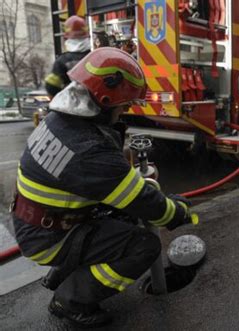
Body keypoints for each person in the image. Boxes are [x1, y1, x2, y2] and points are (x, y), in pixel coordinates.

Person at [11, 47, 195, 328]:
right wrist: (176, 211)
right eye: (123, 106)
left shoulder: (58, 121)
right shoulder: (88, 149)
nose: (124, 113)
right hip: (50, 236)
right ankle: (71, 300)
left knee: (119, 216)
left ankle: (62, 274)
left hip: (40, 222)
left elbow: (108, 185)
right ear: (105, 100)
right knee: (143, 245)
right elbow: (143, 202)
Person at [44, 15, 91, 97]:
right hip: (98, 105)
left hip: (72, 105)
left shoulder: (62, 61)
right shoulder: (97, 56)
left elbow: (51, 87)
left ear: (66, 38)